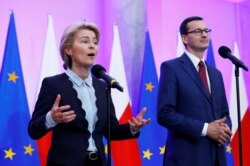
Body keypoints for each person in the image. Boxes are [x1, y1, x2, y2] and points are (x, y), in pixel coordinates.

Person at [28, 21, 150, 166]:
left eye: (95, 42)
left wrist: (132, 128)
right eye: (85, 41)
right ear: (68, 50)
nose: (92, 45)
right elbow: (33, 130)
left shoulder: (102, 86)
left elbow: (112, 130)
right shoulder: (53, 84)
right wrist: (51, 118)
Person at [157, 16, 232, 166]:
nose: (204, 35)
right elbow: (165, 114)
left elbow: (224, 113)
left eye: (206, 31)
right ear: (184, 38)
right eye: (198, 31)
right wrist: (206, 129)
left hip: (217, 157)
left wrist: (224, 128)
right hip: (187, 158)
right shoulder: (172, 68)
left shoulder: (216, 74)